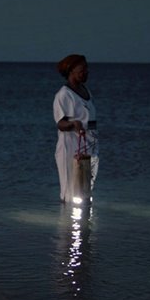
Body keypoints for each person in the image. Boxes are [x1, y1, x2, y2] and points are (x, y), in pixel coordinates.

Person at [53, 54, 99, 203]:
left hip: (90, 144)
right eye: (82, 69)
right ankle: (67, 222)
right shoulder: (64, 95)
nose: (86, 72)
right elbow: (60, 123)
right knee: (70, 189)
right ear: (71, 70)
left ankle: (85, 223)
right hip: (71, 145)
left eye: (87, 69)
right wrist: (73, 124)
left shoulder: (86, 91)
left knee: (86, 189)